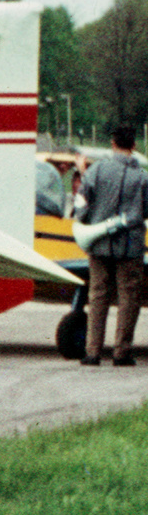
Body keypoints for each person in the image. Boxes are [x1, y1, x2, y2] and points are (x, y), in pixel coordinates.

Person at [78, 126, 147, 366]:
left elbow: (82, 204)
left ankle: (93, 351)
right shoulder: (142, 177)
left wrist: (87, 222)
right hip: (130, 246)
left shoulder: (95, 170)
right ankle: (121, 352)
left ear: (112, 143)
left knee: (97, 295)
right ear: (134, 146)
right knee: (129, 298)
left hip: (98, 243)